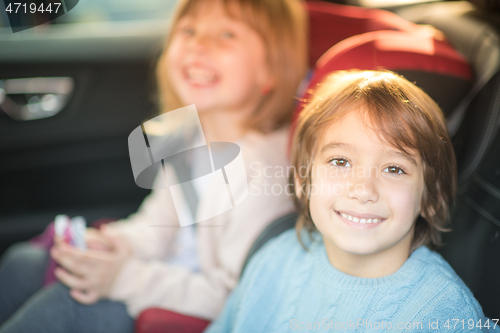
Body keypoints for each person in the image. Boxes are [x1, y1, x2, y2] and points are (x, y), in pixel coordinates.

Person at [0, 0, 307, 332]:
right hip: (159, 278)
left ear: (271, 69)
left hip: (193, 312)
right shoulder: (186, 134)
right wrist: (116, 243)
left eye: (226, 34)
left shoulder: (263, 172)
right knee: (25, 261)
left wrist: (124, 278)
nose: (198, 44)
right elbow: (158, 224)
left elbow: (233, 298)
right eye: (188, 30)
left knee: (68, 304)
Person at [205, 70, 500, 332]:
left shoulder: (441, 315)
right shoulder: (273, 260)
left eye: (394, 169)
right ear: (303, 181)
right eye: (340, 161)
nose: (363, 190)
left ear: (431, 197)